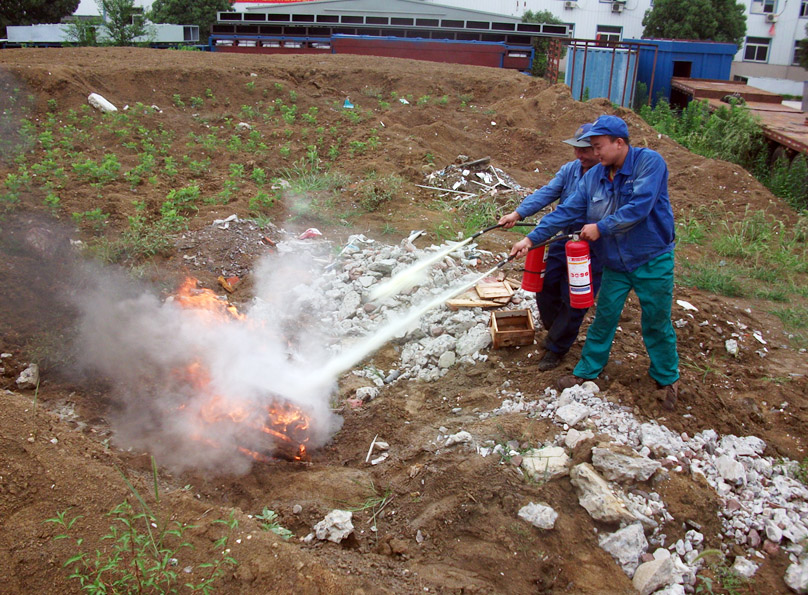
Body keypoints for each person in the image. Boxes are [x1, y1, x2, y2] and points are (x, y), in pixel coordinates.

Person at [509, 115, 680, 410]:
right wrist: (530, 240)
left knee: (656, 320)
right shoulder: (593, 176)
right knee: (604, 318)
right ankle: (587, 372)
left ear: (619, 142)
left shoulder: (649, 163)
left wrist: (601, 227)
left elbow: (639, 206)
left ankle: (666, 378)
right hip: (615, 261)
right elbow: (566, 210)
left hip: (651, 258)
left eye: (598, 146)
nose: (595, 153)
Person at [499, 123, 602, 371]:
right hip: (561, 238)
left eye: (586, 149)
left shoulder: (604, 176)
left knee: (575, 297)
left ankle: (556, 347)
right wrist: (518, 213)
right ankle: (557, 330)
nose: (580, 155)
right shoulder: (570, 170)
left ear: (598, 150)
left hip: (591, 246)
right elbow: (547, 193)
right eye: (577, 149)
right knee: (544, 285)